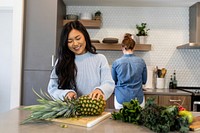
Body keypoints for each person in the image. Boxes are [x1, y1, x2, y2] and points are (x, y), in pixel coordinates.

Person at [48, 21, 114, 101]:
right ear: (65, 43)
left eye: (78, 38)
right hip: (69, 110)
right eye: (70, 41)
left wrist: (100, 90)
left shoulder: (100, 59)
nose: (75, 43)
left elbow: (108, 82)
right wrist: (66, 94)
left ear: (85, 37)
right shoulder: (61, 61)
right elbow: (52, 88)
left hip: (95, 111)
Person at [111, 33, 147, 109]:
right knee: (138, 120)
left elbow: (113, 81)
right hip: (138, 99)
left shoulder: (116, 63)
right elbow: (144, 81)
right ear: (134, 47)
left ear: (122, 47)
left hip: (121, 99)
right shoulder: (141, 61)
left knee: (120, 120)